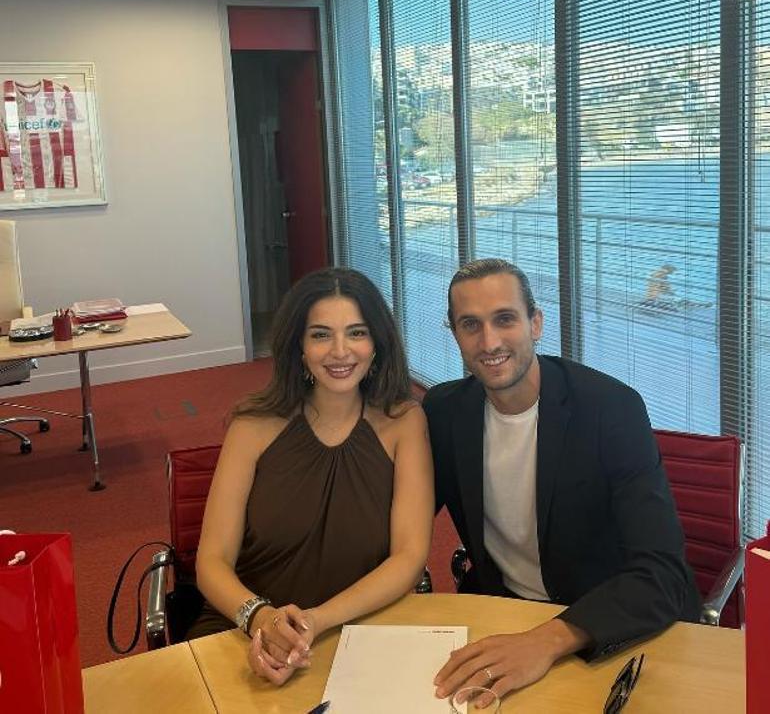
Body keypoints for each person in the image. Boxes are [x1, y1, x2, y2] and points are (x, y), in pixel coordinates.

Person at [424, 258, 701, 707]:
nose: (489, 342)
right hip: (504, 615)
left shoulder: (611, 409)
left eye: (505, 319)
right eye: (470, 324)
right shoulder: (443, 412)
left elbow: (663, 573)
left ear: (535, 323)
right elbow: (402, 526)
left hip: (605, 629)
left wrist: (547, 640)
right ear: (454, 333)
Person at [190, 267, 434, 686]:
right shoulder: (252, 425)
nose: (340, 351)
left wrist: (314, 622)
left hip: (363, 625)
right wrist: (262, 620)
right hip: (245, 628)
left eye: (356, 333)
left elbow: (410, 557)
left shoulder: (404, 422)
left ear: (377, 343)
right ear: (299, 346)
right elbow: (212, 561)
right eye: (321, 335)